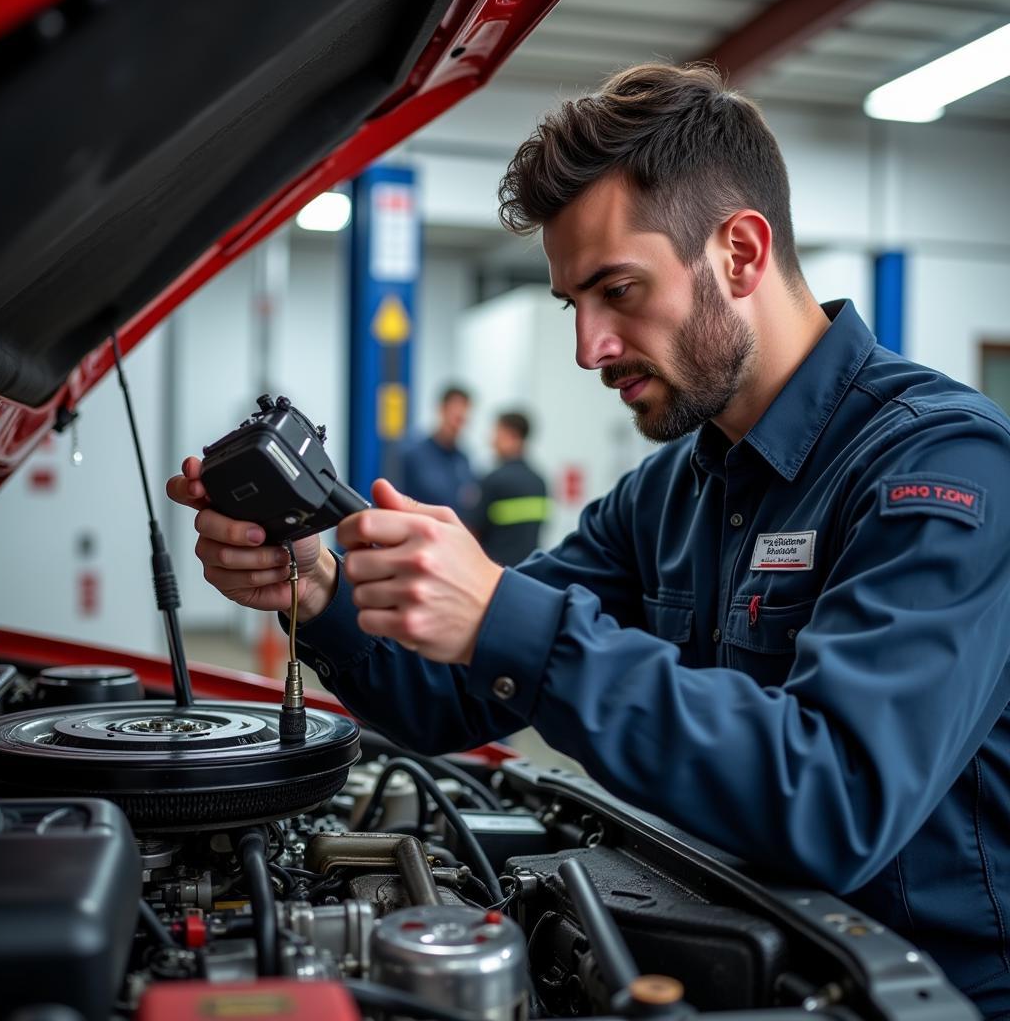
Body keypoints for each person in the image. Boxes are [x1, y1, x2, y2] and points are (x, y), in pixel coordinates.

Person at [168, 63, 1010, 1017]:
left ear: (740, 252)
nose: (589, 348)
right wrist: (318, 590)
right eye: (576, 304)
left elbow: (839, 798)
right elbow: (447, 697)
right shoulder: (674, 491)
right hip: (749, 947)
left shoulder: (942, 468)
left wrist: (513, 619)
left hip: (935, 991)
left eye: (619, 290)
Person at [469, 411, 548, 565]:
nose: (492, 441)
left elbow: (473, 532)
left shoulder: (493, 480)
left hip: (496, 573)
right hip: (529, 572)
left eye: (497, 433)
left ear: (512, 436)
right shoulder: (540, 482)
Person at [398, 384, 477, 518]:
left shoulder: (463, 460)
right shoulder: (413, 455)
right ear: (442, 410)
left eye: (462, 419)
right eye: (455, 417)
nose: (457, 425)